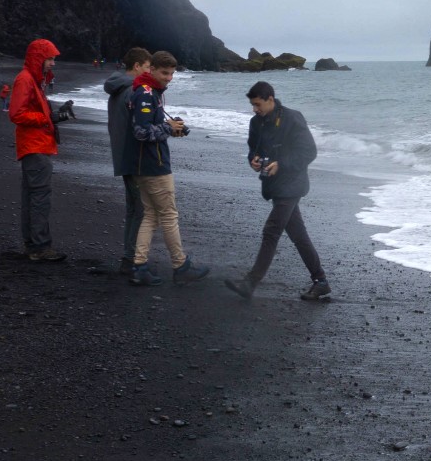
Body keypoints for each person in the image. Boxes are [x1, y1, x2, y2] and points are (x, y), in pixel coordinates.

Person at [225, 80, 330, 302]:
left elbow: (309, 152)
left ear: (270, 99)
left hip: (292, 183)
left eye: (258, 104)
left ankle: (250, 283)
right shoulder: (256, 123)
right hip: (273, 184)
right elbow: (252, 149)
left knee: (271, 231)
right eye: (252, 105)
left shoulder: (292, 118)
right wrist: (252, 160)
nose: (255, 109)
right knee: (298, 235)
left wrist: (280, 163)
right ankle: (320, 281)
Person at [126, 50, 211, 287]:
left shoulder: (149, 92)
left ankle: (139, 265)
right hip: (153, 165)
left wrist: (170, 128)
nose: (169, 78)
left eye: (172, 73)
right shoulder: (145, 94)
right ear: (151, 69)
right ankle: (180, 265)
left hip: (146, 164)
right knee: (169, 214)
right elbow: (141, 132)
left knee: (152, 215)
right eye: (165, 73)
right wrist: (167, 128)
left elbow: (149, 127)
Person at [7, 38, 67, 261]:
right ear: (38, 58)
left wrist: (54, 116)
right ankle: (40, 247)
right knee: (39, 196)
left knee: (32, 195)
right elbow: (16, 114)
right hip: (34, 145)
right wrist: (46, 118)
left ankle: (33, 245)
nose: (53, 63)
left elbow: (31, 112)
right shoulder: (25, 79)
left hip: (36, 143)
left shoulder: (34, 80)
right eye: (49, 58)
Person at [103, 47, 152, 275]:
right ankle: (131, 260)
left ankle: (129, 257)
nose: (150, 71)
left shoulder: (117, 87)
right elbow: (140, 127)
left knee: (134, 208)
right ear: (137, 66)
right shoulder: (132, 90)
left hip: (122, 154)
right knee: (140, 209)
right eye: (147, 67)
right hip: (133, 156)